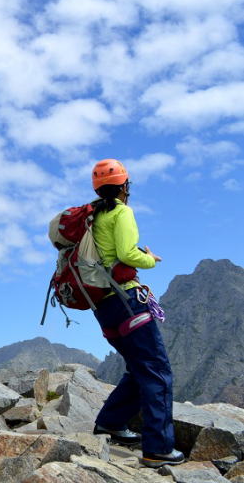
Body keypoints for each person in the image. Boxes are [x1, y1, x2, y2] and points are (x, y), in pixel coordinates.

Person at [88, 159, 184, 468]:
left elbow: (110, 255)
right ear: (125, 186)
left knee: (138, 367)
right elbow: (127, 254)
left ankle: (111, 422)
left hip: (104, 306)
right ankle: (158, 448)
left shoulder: (96, 217)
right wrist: (150, 260)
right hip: (128, 300)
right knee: (157, 370)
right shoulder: (122, 212)